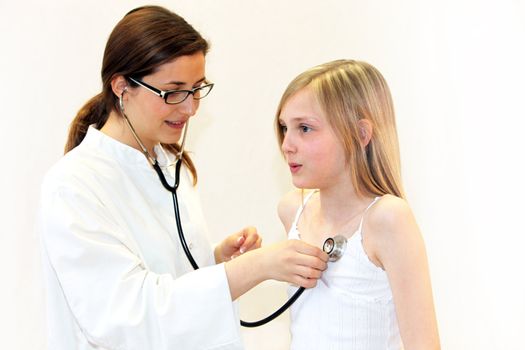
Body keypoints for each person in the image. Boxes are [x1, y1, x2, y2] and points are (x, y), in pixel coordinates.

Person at [38, 6, 328, 350]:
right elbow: (129, 319)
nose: (190, 108)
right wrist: (255, 267)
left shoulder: (169, 165)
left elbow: (171, 285)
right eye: (173, 91)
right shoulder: (73, 186)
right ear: (121, 88)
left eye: (197, 89)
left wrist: (215, 259)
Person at [275, 59, 440, 349]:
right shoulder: (293, 211)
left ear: (362, 134)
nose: (287, 144)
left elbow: (424, 344)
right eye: (284, 128)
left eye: (304, 128)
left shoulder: (387, 218)